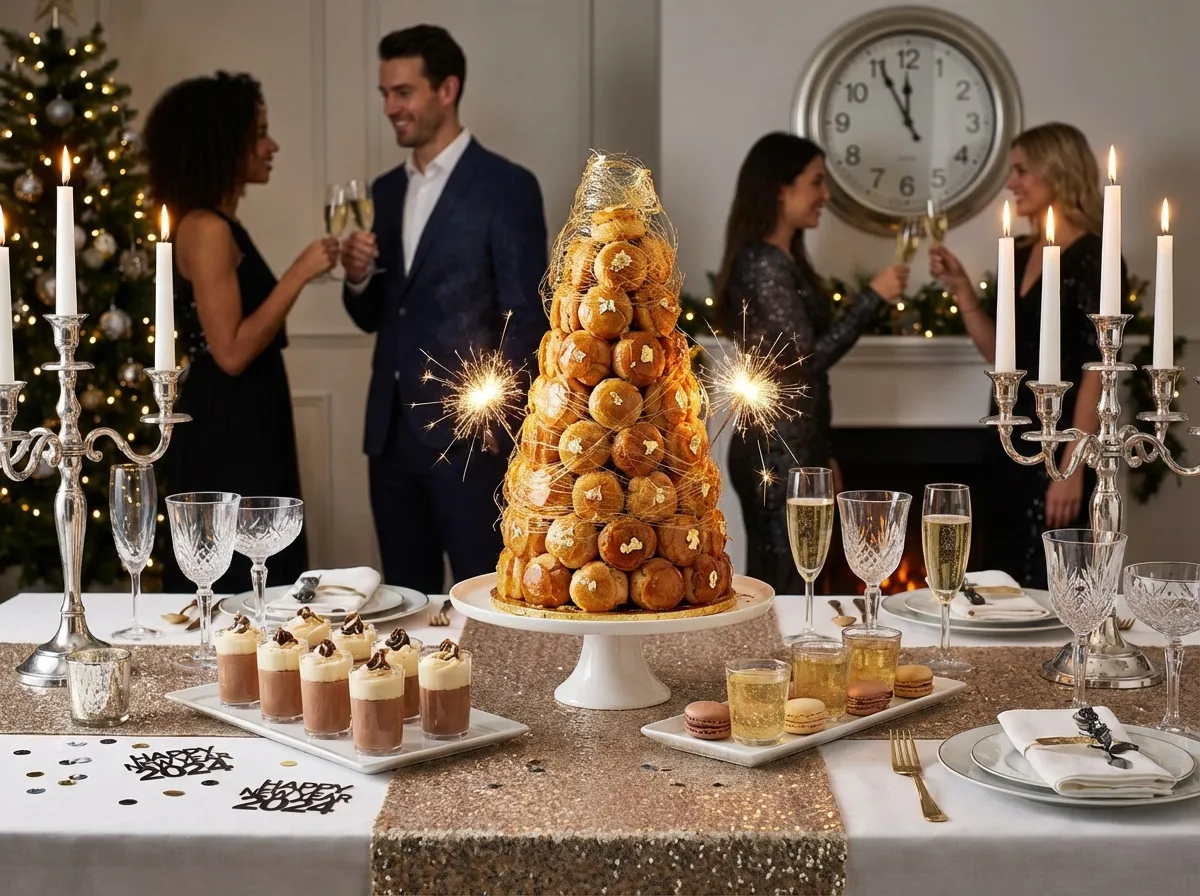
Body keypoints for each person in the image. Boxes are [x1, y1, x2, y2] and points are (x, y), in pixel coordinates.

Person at [340, 25, 546, 594]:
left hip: (472, 437)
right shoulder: (382, 191)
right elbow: (378, 314)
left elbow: (525, 313)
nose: (390, 107)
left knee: (489, 596)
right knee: (406, 602)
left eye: (403, 92)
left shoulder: (507, 186)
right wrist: (357, 278)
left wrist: (496, 422)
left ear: (447, 89)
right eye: (385, 93)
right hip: (389, 437)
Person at [145, 72, 337, 592]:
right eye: (259, 133)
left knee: (261, 572)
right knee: (239, 575)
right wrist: (300, 271)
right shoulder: (206, 229)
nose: (271, 146)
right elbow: (230, 351)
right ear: (223, 143)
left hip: (248, 412)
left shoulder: (218, 223)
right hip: (227, 424)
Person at [715, 132, 908, 596]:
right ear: (781, 188)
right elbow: (805, 361)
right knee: (782, 583)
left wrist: (824, 454)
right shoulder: (762, 263)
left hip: (798, 449)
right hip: (776, 453)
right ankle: (774, 666)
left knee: (797, 578)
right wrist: (872, 299)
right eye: (816, 181)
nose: (826, 195)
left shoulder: (784, 260)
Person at [931, 122, 1118, 587]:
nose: (1012, 182)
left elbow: (1101, 366)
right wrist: (962, 291)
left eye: (1022, 170)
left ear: (1058, 171)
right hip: (1011, 441)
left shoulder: (1095, 256)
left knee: (1053, 585)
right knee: (1000, 582)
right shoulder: (1018, 252)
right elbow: (1004, 357)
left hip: (1063, 448)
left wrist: (1072, 465)